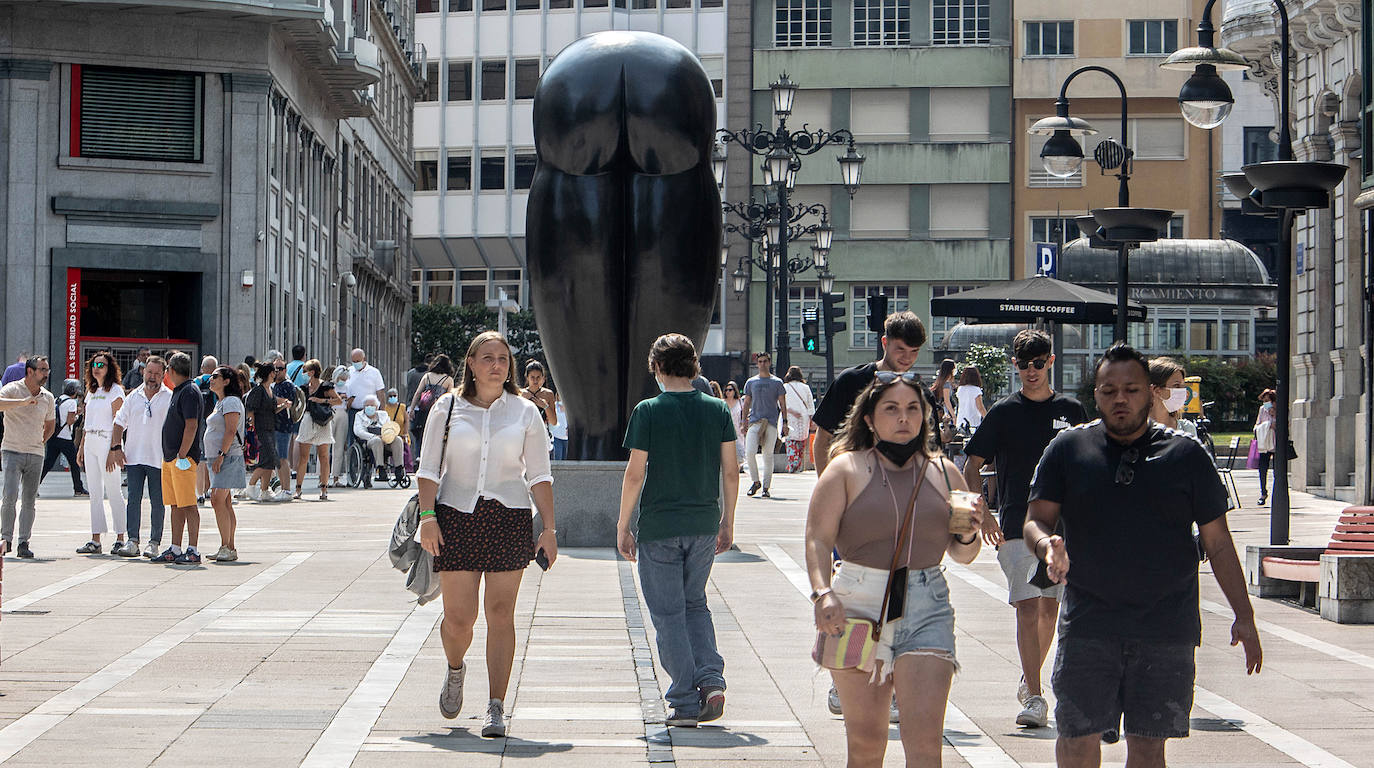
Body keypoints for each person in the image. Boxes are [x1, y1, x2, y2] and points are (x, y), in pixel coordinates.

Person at [1025, 342, 1262, 768]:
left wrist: (1244, 615)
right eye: (1108, 390)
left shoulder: (1186, 456)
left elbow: (1219, 542)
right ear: (1094, 394)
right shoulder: (1068, 449)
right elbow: (1035, 519)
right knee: (1077, 741)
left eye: (1131, 390)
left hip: (1165, 628)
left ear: (1149, 393)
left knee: (1149, 747)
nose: (1120, 399)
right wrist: (1047, 544)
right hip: (1088, 624)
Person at [805, 370, 985, 767]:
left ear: (925, 416)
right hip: (856, 604)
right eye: (891, 409)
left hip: (928, 605)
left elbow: (962, 554)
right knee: (867, 745)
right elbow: (818, 538)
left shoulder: (945, 472)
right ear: (869, 418)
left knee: (924, 746)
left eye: (912, 409)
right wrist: (822, 592)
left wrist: (971, 531)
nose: (903, 418)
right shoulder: (845, 469)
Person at [415, 330, 558, 738]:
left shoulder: (525, 412)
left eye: (503, 358)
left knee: (501, 614)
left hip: (508, 518)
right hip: (455, 517)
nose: (497, 365)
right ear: (471, 364)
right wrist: (428, 517)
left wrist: (548, 528)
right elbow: (428, 469)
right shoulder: (447, 406)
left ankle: (496, 706)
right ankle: (456, 667)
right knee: (460, 619)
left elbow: (540, 475)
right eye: (487, 357)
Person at [961, 329, 1087, 729]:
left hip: (1062, 530)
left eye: (1037, 363)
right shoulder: (1003, 411)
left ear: (1050, 362)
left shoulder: (1072, 409)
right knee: (1027, 607)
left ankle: (1029, 675)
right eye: (1022, 365)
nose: (1030, 371)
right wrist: (984, 512)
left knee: (1050, 609)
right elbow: (971, 464)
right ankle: (1035, 695)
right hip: (1016, 523)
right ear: (1015, 366)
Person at [617, 333, 739, 727]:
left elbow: (635, 473)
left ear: (656, 367)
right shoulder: (717, 408)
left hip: (660, 525)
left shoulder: (649, 410)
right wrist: (728, 521)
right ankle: (712, 680)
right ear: (694, 367)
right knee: (695, 603)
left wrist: (623, 525)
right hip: (704, 523)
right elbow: (731, 471)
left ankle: (685, 700)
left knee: (668, 613)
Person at [812, 312, 933, 477]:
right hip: (854, 482)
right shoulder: (850, 381)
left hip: (905, 487)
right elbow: (823, 437)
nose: (907, 358)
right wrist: (826, 486)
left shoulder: (923, 394)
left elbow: (930, 450)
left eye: (914, 351)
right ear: (885, 343)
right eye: (901, 349)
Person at [108, 355, 171, 559]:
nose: (152, 377)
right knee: (133, 500)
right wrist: (116, 447)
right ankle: (132, 540)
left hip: (159, 458)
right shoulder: (133, 396)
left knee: (157, 502)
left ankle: (154, 543)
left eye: (156, 374)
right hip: (134, 458)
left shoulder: (169, 397)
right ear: (143, 372)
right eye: (149, 372)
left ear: (163, 375)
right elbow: (118, 423)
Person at [152, 352, 205, 565]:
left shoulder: (189, 392)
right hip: (171, 458)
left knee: (189, 504)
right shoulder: (180, 391)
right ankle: (175, 547)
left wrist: (182, 453)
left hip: (182, 458)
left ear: (171, 371)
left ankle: (193, 549)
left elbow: (191, 425)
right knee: (175, 504)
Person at [0, 356, 56, 558]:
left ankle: (24, 542)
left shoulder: (48, 397)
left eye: (47, 369)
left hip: (35, 453)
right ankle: (5, 540)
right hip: (12, 450)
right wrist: (21, 402)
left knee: (29, 500)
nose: (46, 374)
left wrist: (42, 440)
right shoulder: (13, 389)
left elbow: (50, 424)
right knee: (9, 496)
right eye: (42, 369)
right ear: (30, 371)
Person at [75, 352, 128, 555]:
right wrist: (81, 447)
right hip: (91, 441)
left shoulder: (115, 391)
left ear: (110, 368)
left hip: (108, 441)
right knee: (94, 491)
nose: (97, 367)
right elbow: (87, 422)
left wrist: (114, 449)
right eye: (94, 364)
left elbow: (119, 422)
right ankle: (95, 538)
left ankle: (120, 537)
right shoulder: (91, 391)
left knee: (114, 490)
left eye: (102, 364)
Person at [204, 366, 246, 562]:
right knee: (224, 502)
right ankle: (228, 546)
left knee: (217, 500)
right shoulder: (221, 402)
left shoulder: (230, 402)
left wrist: (221, 454)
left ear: (227, 381)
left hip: (228, 457)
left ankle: (226, 546)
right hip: (219, 457)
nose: (211, 379)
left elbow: (230, 430)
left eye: (215, 377)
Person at [740, 353, 788, 498]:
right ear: (757, 364)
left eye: (765, 361)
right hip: (755, 421)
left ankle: (766, 487)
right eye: (760, 361)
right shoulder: (751, 382)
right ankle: (755, 481)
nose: (762, 364)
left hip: (771, 422)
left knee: (768, 455)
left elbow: (783, 404)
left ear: (769, 363)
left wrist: (785, 423)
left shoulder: (777, 382)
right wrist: (744, 422)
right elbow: (747, 402)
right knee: (750, 452)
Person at [243, 362, 290, 502]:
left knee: (270, 461)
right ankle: (251, 486)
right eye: (274, 371)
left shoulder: (270, 389)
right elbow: (250, 411)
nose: (276, 374)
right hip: (260, 429)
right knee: (266, 459)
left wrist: (283, 406)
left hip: (270, 428)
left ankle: (264, 491)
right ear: (270, 373)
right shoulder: (258, 391)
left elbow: (273, 409)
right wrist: (251, 431)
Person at [295, 360, 341, 500]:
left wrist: (322, 401)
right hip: (308, 419)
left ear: (312, 372)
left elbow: (338, 400)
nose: (304, 374)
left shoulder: (326, 386)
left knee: (323, 455)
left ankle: (324, 488)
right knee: (303, 456)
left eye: (306, 371)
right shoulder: (303, 388)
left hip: (322, 421)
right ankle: (298, 488)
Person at [42, 379, 87, 497]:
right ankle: (78, 489)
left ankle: (34, 485)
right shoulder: (72, 402)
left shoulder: (57, 399)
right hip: (65, 438)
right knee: (74, 463)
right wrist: (77, 415)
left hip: (53, 436)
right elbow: (70, 420)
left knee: (48, 463)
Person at [409, 354, 456, 461]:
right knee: (436, 435)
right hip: (439, 411)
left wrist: (412, 409)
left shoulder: (427, 376)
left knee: (421, 435)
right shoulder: (448, 380)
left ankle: (419, 456)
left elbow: (417, 393)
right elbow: (449, 399)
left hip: (423, 410)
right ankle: (433, 459)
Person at [354, 395, 404, 486]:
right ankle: (380, 468)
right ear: (363, 407)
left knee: (397, 440)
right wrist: (374, 436)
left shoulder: (383, 415)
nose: (369, 407)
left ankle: (399, 468)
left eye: (372, 405)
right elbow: (358, 431)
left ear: (377, 407)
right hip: (369, 440)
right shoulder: (359, 415)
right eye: (367, 405)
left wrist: (387, 436)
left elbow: (389, 427)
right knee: (377, 441)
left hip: (385, 438)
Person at [269, 355, 300, 495]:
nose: (277, 371)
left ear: (285, 370)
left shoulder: (287, 385)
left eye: (280, 369)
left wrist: (277, 403)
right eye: (274, 369)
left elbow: (287, 401)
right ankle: (283, 488)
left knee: (282, 458)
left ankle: (286, 490)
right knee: (278, 459)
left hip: (284, 426)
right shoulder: (276, 385)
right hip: (276, 425)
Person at [346, 348, 387, 445]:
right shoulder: (349, 371)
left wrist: (382, 410)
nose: (356, 363)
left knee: (370, 436)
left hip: (370, 412)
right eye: (353, 361)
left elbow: (380, 393)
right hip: (353, 411)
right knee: (351, 438)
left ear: (364, 359)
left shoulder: (374, 372)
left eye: (358, 361)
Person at [1147, 357, 1196, 436]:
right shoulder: (1136, 430)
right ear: (1156, 390)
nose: (1184, 392)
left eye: (1183, 386)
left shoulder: (1187, 428)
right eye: (1176, 385)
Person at [195, 355, 219, 503]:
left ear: (202, 367)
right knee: (213, 457)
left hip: (199, 422)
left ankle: (200, 494)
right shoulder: (218, 381)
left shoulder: (197, 381)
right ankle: (212, 489)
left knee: (200, 459)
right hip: (215, 422)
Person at [782, 366, 814, 473]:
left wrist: (791, 411)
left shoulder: (785, 387)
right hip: (803, 417)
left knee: (790, 441)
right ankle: (798, 464)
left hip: (789, 416)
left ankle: (793, 463)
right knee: (801, 442)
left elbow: (780, 403)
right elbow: (810, 404)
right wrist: (811, 418)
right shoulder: (805, 388)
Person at [329, 365, 352, 487]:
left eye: (345, 378)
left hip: (342, 413)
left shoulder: (348, 387)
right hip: (330, 413)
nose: (343, 380)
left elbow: (348, 403)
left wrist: (347, 400)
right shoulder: (329, 386)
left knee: (339, 445)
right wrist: (339, 398)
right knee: (324, 444)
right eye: (341, 378)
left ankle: (336, 477)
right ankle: (322, 477)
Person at [1254, 389, 1277, 506]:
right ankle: (1263, 493)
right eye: (1264, 401)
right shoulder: (1262, 410)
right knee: (1263, 469)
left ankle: (1277, 493)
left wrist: (1274, 416)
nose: (1265, 403)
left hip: (1276, 444)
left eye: (1267, 401)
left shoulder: (1280, 409)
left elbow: (1286, 424)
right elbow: (1257, 425)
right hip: (1265, 444)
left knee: (1277, 471)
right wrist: (1266, 425)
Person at [520, 361, 558, 427]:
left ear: (542, 377)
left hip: (543, 432)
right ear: (527, 377)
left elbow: (554, 422)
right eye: (532, 377)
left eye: (538, 377)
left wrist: (545, 406)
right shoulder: (520, 394)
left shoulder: (548, 394)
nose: (535, 380)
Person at [384, 386, 410, 470]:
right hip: (389, 436)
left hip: (401, 435)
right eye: (390, 396)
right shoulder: (385, 409)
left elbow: (406, 420)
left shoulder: (402, 407)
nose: (392, 398)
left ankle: (404, 468)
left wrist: (405, 433)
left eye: (394, 396)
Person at [954, 365, 986, 432]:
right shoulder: (976, 390)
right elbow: (980, 407)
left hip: (961, 420)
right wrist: (988, 418)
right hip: (973, 422)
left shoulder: (960, 389)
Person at [721, 381, 745, 469]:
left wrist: (743, 424)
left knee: (739, 455)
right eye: (726, 390)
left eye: (730, 390)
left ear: (734, 391)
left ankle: (737, 469)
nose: (727, 392)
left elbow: (743, 415)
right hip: (725, 430)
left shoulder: (740, 402)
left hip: (738, 431)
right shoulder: (722, 402)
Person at [931, 358, 957, 423]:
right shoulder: (946, 384)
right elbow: (947, 401)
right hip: (946, 413)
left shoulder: (941, 382)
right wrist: (954, 416)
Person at [549, 391, 569, 460]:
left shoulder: (570, 408)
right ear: (557, 396)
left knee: (566, 460)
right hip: (557, 437)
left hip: (567, 438)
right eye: (560, 395)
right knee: (558, 458)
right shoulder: (554, 406)